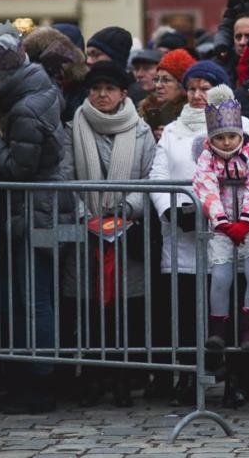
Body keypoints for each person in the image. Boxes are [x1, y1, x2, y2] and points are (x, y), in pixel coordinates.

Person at [148, 61, 249, 406]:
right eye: (192, 87)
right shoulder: (173, 131)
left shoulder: (242, 125)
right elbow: (158, 175)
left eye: (205, 88)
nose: (197, 95)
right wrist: (171, 208)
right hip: (185, 241)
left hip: (229, 234)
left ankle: (234, 380)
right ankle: (187, 378)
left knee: (229, 313)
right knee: (186, 314)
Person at [0, 21, 65, 414]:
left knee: (34, 299)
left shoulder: (25, 108)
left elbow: (19, 168)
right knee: (34, 296)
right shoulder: (36, 89)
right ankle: (35, 378)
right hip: (38, 208)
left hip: (36, 211)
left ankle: (40, 383)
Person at [59, 60, 156, 408]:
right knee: (87, 308)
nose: (102, 94)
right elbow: (66, 177)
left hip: (127, 231)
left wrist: (128, 209)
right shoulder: (73, 129)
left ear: (123, 94)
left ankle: (123, 378)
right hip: (86, 232)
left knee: (125, 309)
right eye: (96, 88)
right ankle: (90, 378)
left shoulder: (142, 132)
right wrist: (87, 214)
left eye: (109, 89)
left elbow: (149, 180)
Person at [193, 85, 249, 351]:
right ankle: (218, 327)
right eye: (220, 138)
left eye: (231, 136)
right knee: (221, 276)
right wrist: (222, 221)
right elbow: (205, 186)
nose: (226, 142)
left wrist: (248, 220)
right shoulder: (207, 157)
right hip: (222, 228)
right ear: (211, 139)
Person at [139, 48, 194, 141]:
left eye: (166, 80)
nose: (158, 85)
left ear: (182, 85)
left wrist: (173, 140)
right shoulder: (148, 111)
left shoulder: (193, 117)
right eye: (157, 79)